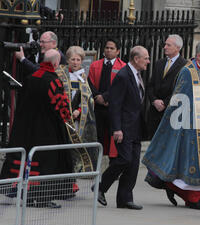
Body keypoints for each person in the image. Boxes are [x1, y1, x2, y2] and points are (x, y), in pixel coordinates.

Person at [142, 41, 200, 210]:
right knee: (191, 162)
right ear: (198, 55)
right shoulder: (188, 72)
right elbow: (181, 98)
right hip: (190, 125)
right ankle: (191, 197)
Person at [0, 49, 73, 208]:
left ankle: (27, 196)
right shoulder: (53, 81)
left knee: (28, 162)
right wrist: (67, 118)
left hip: (27, 129)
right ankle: (42, 198)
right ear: (55, 63)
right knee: (46, 164)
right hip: (47, 131)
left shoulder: (30, 78)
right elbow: (61, 107)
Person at [95, 46, 149, 210]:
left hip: (136, 127)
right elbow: (115, 105)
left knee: (133, 165)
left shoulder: (137, 74)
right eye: (145, 58)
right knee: (125, 159)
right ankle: (100, 187)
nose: (148, 61)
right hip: (124, 127)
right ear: (136, 59)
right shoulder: (123, 75)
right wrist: (117, 129)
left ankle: (125, 199)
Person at [56, 46, 97, 172]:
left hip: (76, 117)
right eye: (73, 59)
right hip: (62, 115)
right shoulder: (60, 74)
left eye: (78, 60)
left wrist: (79, 111)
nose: (75, 62)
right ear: (67, 60)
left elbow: (88, 99)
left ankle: (77, 168)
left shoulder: (83, 77)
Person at [88, 39, 126, 163]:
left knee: (112, 136)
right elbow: (90, 83)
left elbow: (119, 86)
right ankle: (95, 163)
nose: (108, 50)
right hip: (98, 107)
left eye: (112, 48)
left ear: (118, 51)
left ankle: (113, 163)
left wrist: (105, 97)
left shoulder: (122, 67)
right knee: (97, 135)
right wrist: (97, 97)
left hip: (112, 106)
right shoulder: (95, 65)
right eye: (107, 48)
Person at [146, 34, 187, 139]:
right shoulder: (159, 63)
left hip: (171, 111)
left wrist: (164, 103)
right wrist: (154, 100)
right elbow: (151, 85)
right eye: (165, 45)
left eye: (168, 45)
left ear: (177, 48)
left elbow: (181, 89)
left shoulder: (184, 66)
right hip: (155, 111)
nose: (165, 47)